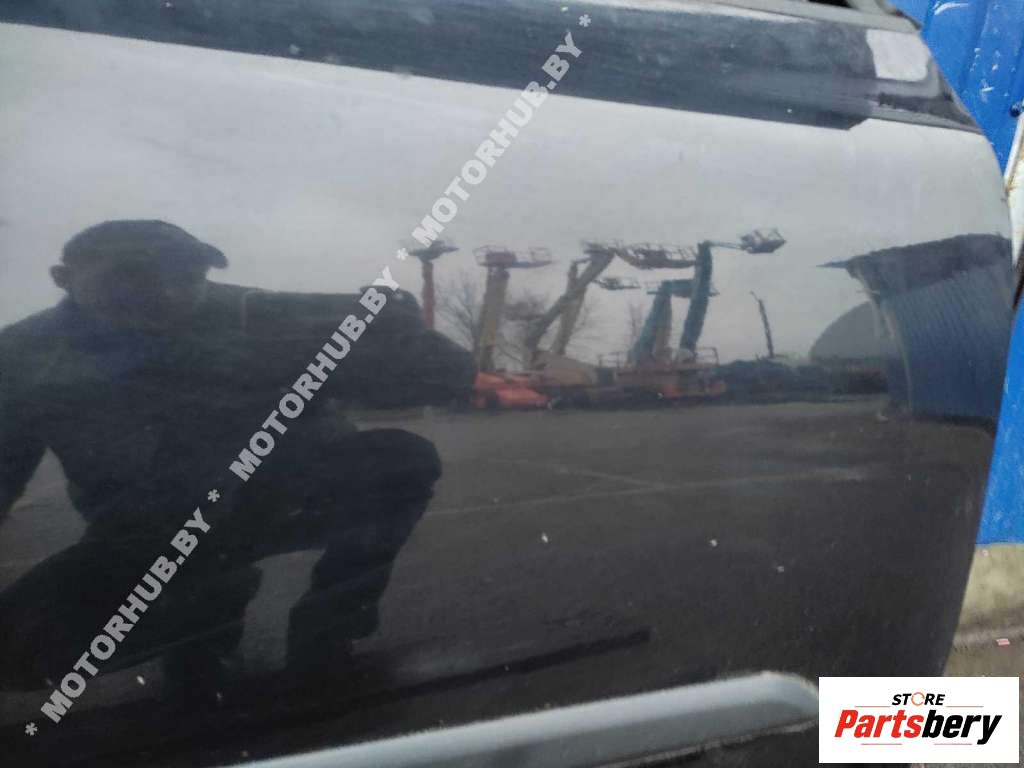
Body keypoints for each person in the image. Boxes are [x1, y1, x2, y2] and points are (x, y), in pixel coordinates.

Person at [0, 220, 475, 700]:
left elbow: (443, 382)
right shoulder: (21, 357)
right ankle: (203, 620)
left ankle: (329, 624)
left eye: (185, 276)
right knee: (21, 648)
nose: (165, 292)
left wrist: (404, 340)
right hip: (152, 532)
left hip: (286, 493)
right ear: (63, 279)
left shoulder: (258, 316)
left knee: (400, 461)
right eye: (132, 276)